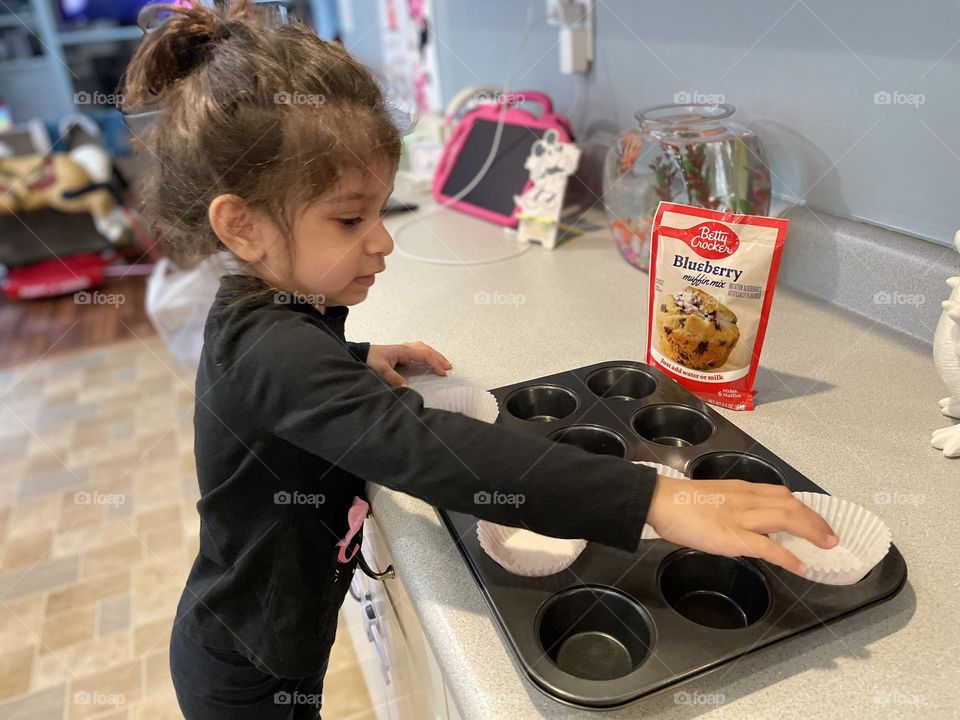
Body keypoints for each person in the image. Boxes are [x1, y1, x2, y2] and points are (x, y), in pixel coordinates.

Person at [121, 3, 838, 717]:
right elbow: (428, 450)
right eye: (349, 219)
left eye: (380, 212)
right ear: (241, 225)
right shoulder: (271, 347)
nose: (383, 243)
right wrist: (653, 497)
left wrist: (354, 358)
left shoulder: (275, 315)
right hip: (247, 671)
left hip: (270, 634)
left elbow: (295, 382)